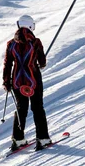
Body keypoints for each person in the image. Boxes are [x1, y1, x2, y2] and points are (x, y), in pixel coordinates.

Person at [3, 15, 51, 151]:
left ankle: (18, 140)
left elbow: (7, 64)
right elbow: (42, 62)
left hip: (17, 82)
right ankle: (42, 139)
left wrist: (6, 81)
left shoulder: (11, 44)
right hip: (34, 80)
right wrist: (41, 62)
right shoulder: (36, 42)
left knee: (20, 109)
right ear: (31, 26)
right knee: (37, 108)